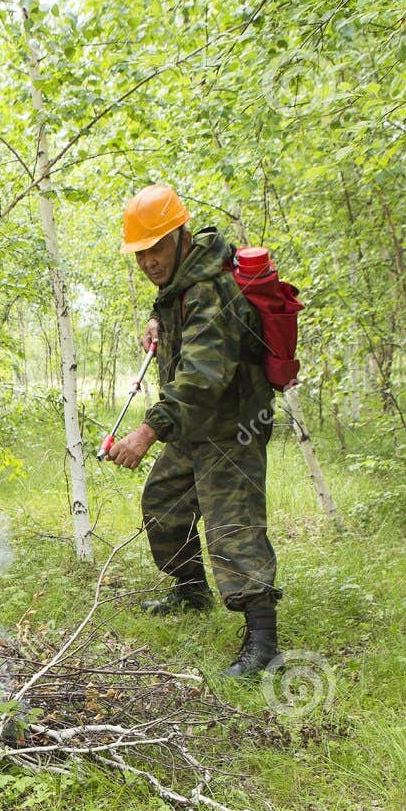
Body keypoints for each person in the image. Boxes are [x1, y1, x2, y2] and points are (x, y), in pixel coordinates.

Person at [104, 183, 282, 677]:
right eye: (140, 253)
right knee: (165, 505)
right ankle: (191, 592)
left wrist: (147, 432)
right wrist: (157, 321)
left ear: (181, 236)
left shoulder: (210, 288)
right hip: (194, 427)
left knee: (234, 527)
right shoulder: (184, 280)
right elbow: (180, 315)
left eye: (157, 248)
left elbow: (202, 377)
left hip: (231, 426)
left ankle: (264, 646)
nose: (149, 262)